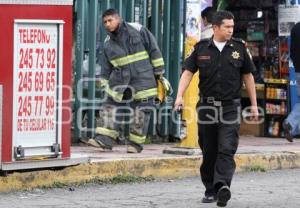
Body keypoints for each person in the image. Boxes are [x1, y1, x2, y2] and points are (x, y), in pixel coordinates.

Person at [174, 11, 258, 207]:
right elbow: (187, 73)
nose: (231, 30)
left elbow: (248, 77)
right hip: (207, 107)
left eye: (232, 26)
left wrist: (254, 105)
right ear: (216, 27)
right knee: (209, 150)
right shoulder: (201, 48)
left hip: (230, 107)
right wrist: (179, 97)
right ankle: (210, 189)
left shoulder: (239, 48)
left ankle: (222, 187)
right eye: (227, 27)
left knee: (227, 148)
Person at [88, 9, 165, 153]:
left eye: (110, 20)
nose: (107, 24)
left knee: (141, 112)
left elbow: (153, 49)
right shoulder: (107, 43)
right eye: (105, 22)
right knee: (110, 106)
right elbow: (105, 67)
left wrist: (158, 72)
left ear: (119, 19)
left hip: (143, 79)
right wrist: (104, 82)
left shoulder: (138, 29)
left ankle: (135, 144)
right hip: (120, 82)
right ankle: (104, 139)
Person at [283, 22, 300, 142]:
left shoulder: (296, 27)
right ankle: (290, 123)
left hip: (298, 70)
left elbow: (292, 50)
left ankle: (292, 127)